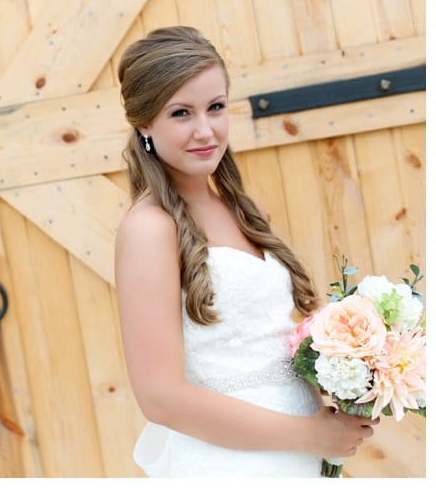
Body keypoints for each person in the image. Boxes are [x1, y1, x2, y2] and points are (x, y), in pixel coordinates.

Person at [114, 26, 378, 477]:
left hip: (298, 459)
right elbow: (159, 396)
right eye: (181, 113)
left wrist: (348, 370)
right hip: (233, 465)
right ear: (144, 124)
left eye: (215, 107)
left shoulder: (234, 208)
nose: (205, 130)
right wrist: (306, 434)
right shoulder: (149, 229)